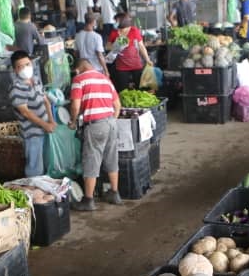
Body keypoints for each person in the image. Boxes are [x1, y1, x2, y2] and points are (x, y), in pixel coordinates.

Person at [69, 58, 122, 211]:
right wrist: (110, 120)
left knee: (91, 161)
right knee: (112, 158)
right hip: (112, 123)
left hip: (95, 125)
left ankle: (88, 200)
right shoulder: (105, 79)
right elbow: (117, 105)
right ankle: (114, 193)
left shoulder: (79, 79)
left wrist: (73, 121)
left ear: (78, 69)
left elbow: (75, 105)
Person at [8, 51, 56, 178]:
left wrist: (51, 120)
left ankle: (45, 186)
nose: (25, 68)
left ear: (32, 63)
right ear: (15, 70)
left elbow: (45, 100)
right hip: (32, 133)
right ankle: (33, 187)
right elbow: (26, 112)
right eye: (20, 66)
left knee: (47, 163)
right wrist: (45, 125)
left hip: (45, 128)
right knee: (35, 168)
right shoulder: (16, 88)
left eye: (27, 64)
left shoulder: (35, 79)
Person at [107, 13, 152, 91]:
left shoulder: (134, 30)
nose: (115, 23)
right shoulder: (114, 32)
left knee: (140, 88)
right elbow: (107, 46)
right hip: (121, 66)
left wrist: (147, 59)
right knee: (123, 89)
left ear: (122, 21)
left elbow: (141, 46)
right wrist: (116, 46)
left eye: (116, 21)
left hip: (135, 64)